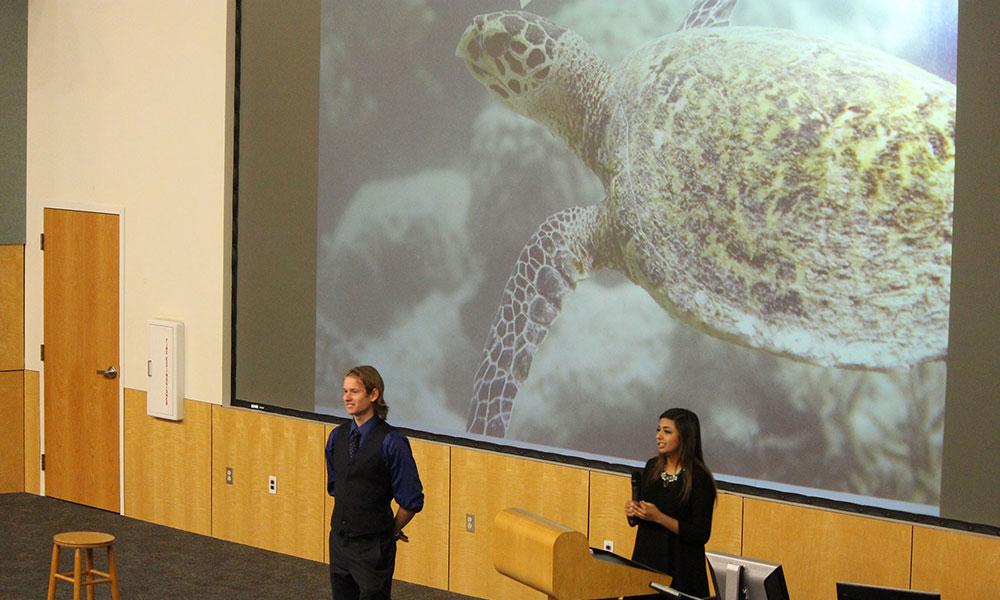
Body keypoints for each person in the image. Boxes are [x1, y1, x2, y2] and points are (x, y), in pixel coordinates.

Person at [325, 365, 424, 600]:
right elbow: (336, 487)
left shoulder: (392, 442)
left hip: (373, 547)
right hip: (339, 542)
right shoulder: (336, 437)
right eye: (345, 391)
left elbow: (411, 499)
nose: (346, 398)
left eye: (354, 392)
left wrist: (391, 530)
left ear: (374, 394)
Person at [625, 408, 717, 598]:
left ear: (684, 437)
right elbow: (643, 518)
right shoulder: (652, 467)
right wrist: (634, 512)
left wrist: (659, 517)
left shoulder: (699, 479)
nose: (659, 436)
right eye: (658, 430)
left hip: (681, 568)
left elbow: (700, 533)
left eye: (667, 432)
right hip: (647, 562)